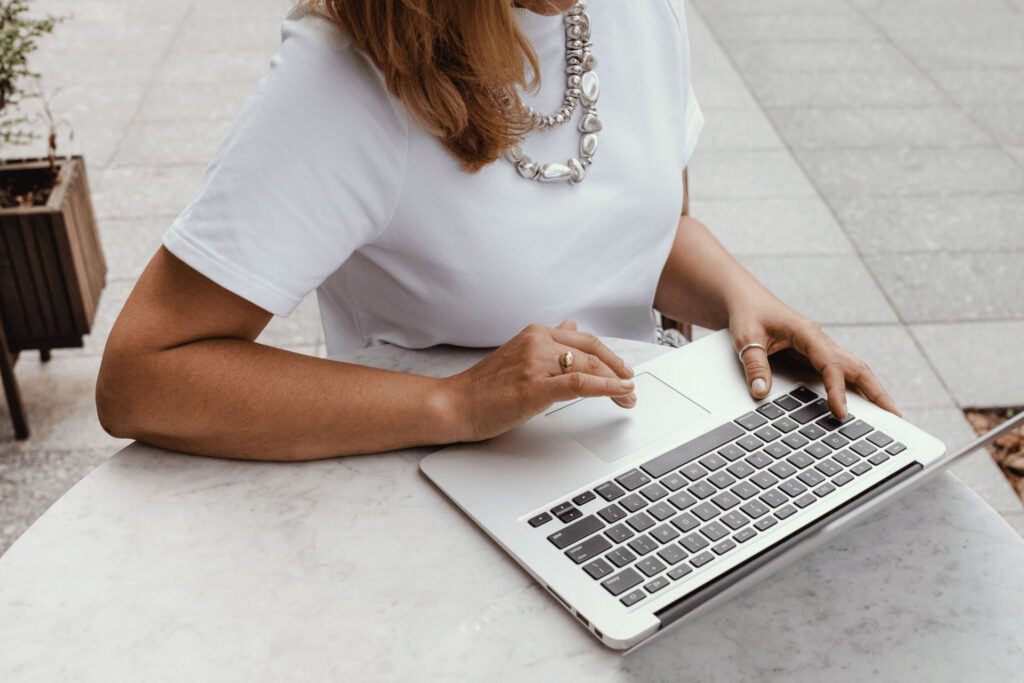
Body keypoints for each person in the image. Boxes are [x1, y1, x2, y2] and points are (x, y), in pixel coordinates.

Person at [96, 0, 900, 461]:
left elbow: (633, 226)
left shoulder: (640, 9)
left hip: (633, 460)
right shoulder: (341, 77)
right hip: (431, 489)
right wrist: (453, 405)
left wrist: (740, 296)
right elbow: (142, 376)